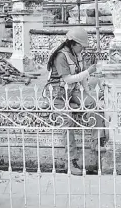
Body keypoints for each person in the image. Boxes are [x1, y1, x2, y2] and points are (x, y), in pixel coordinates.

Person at [44, 27, 106, 176]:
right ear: (73, 43)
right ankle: (71, 161)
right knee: (68, 121)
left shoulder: (77, 55)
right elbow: (68, 79)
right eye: (81, 46)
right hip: (57, 94)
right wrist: (88, 72)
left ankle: (96, 142)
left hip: (71, 91)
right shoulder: (61, 56)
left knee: (93, 104)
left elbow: (82, 78)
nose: (82, 49)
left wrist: (89, 94)